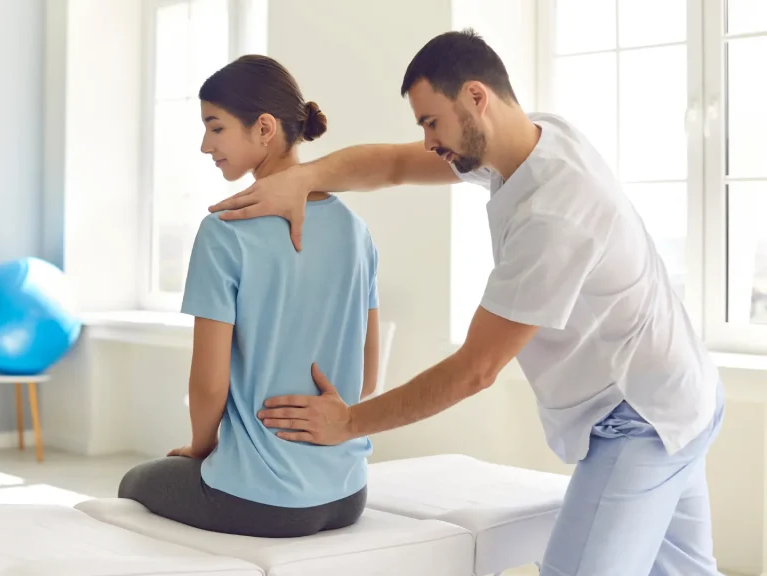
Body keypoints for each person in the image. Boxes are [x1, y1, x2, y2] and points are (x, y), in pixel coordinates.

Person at [209, 30, 725, 575]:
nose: (429, 141)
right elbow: (393, 165)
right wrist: (303, 178)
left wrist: (348, 423)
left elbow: (475, 370)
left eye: (432, 121)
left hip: (641, 416)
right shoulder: (535, 139)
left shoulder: (554, 213)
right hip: (683, 387)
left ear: (476, 98)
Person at [117, 54, 381, 539]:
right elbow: (368, 377)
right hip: (348, 493)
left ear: (264, 128)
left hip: (261, 500)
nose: (204, 145)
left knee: (134, 482)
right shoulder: (356, 230)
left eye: (215, 128)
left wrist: (199, 448)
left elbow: (209, 383)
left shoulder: (225, 231)